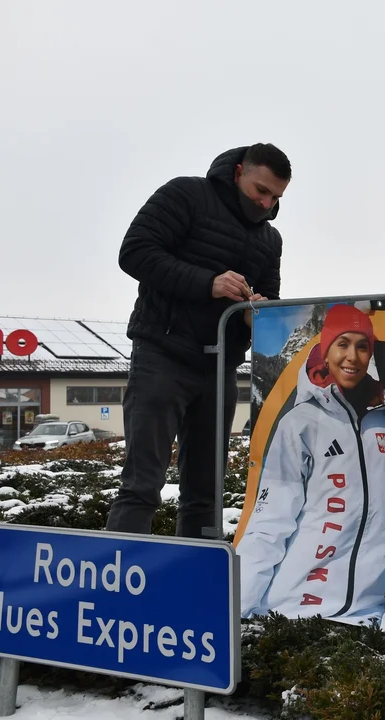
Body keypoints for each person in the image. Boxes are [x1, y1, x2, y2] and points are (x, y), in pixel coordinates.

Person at [107, 143, 291, 539]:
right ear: (239, 171)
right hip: (161, 356)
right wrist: (208, 283)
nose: (266, 203)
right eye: (261, 190)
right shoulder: (186, 194)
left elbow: (271, 299)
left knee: (207, 494)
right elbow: (134, 252)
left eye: (276, 197)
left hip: (220, 368)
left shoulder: (270, 239)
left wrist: (255, 313)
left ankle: (195, 588)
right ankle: (116, 590)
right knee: (142, 485)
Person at [236, 303, 385, 623]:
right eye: (342, 344)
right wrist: (237, 611)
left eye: (363, 347)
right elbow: (269, 525)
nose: (352, 356)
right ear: (326, 348)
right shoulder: (301, 424)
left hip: (370, 612)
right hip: (296, 611)